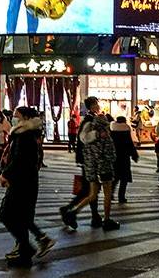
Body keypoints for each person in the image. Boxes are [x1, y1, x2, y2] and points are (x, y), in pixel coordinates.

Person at [0, 106, 55, 267]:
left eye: (16, 116)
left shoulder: (24, 135)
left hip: (21, 182)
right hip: (26, 181)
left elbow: (19, 160)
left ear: (24, 118)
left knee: (6, 214)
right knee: (22, 217)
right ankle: (25, 251)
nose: (13, 118)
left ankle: (25, 248)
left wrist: (6, 174)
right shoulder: (26, 134)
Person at [60, 97, 120, 231]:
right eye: (96, 104)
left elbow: (83, 142)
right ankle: (106, 219)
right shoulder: (99, 130)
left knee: (91, 193)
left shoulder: (88, 125)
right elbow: (109, 151)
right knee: (106, 194)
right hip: (102, 166)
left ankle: (75, 213)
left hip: (90, 165)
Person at [110, 116, 139, 204]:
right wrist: (134, 155)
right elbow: (130, 144)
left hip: (114, 158)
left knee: (114, 178)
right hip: (124, 158)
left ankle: (110, 194)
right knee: (124, 179)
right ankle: (121, 197)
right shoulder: (126, 130)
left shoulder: (112, 130)